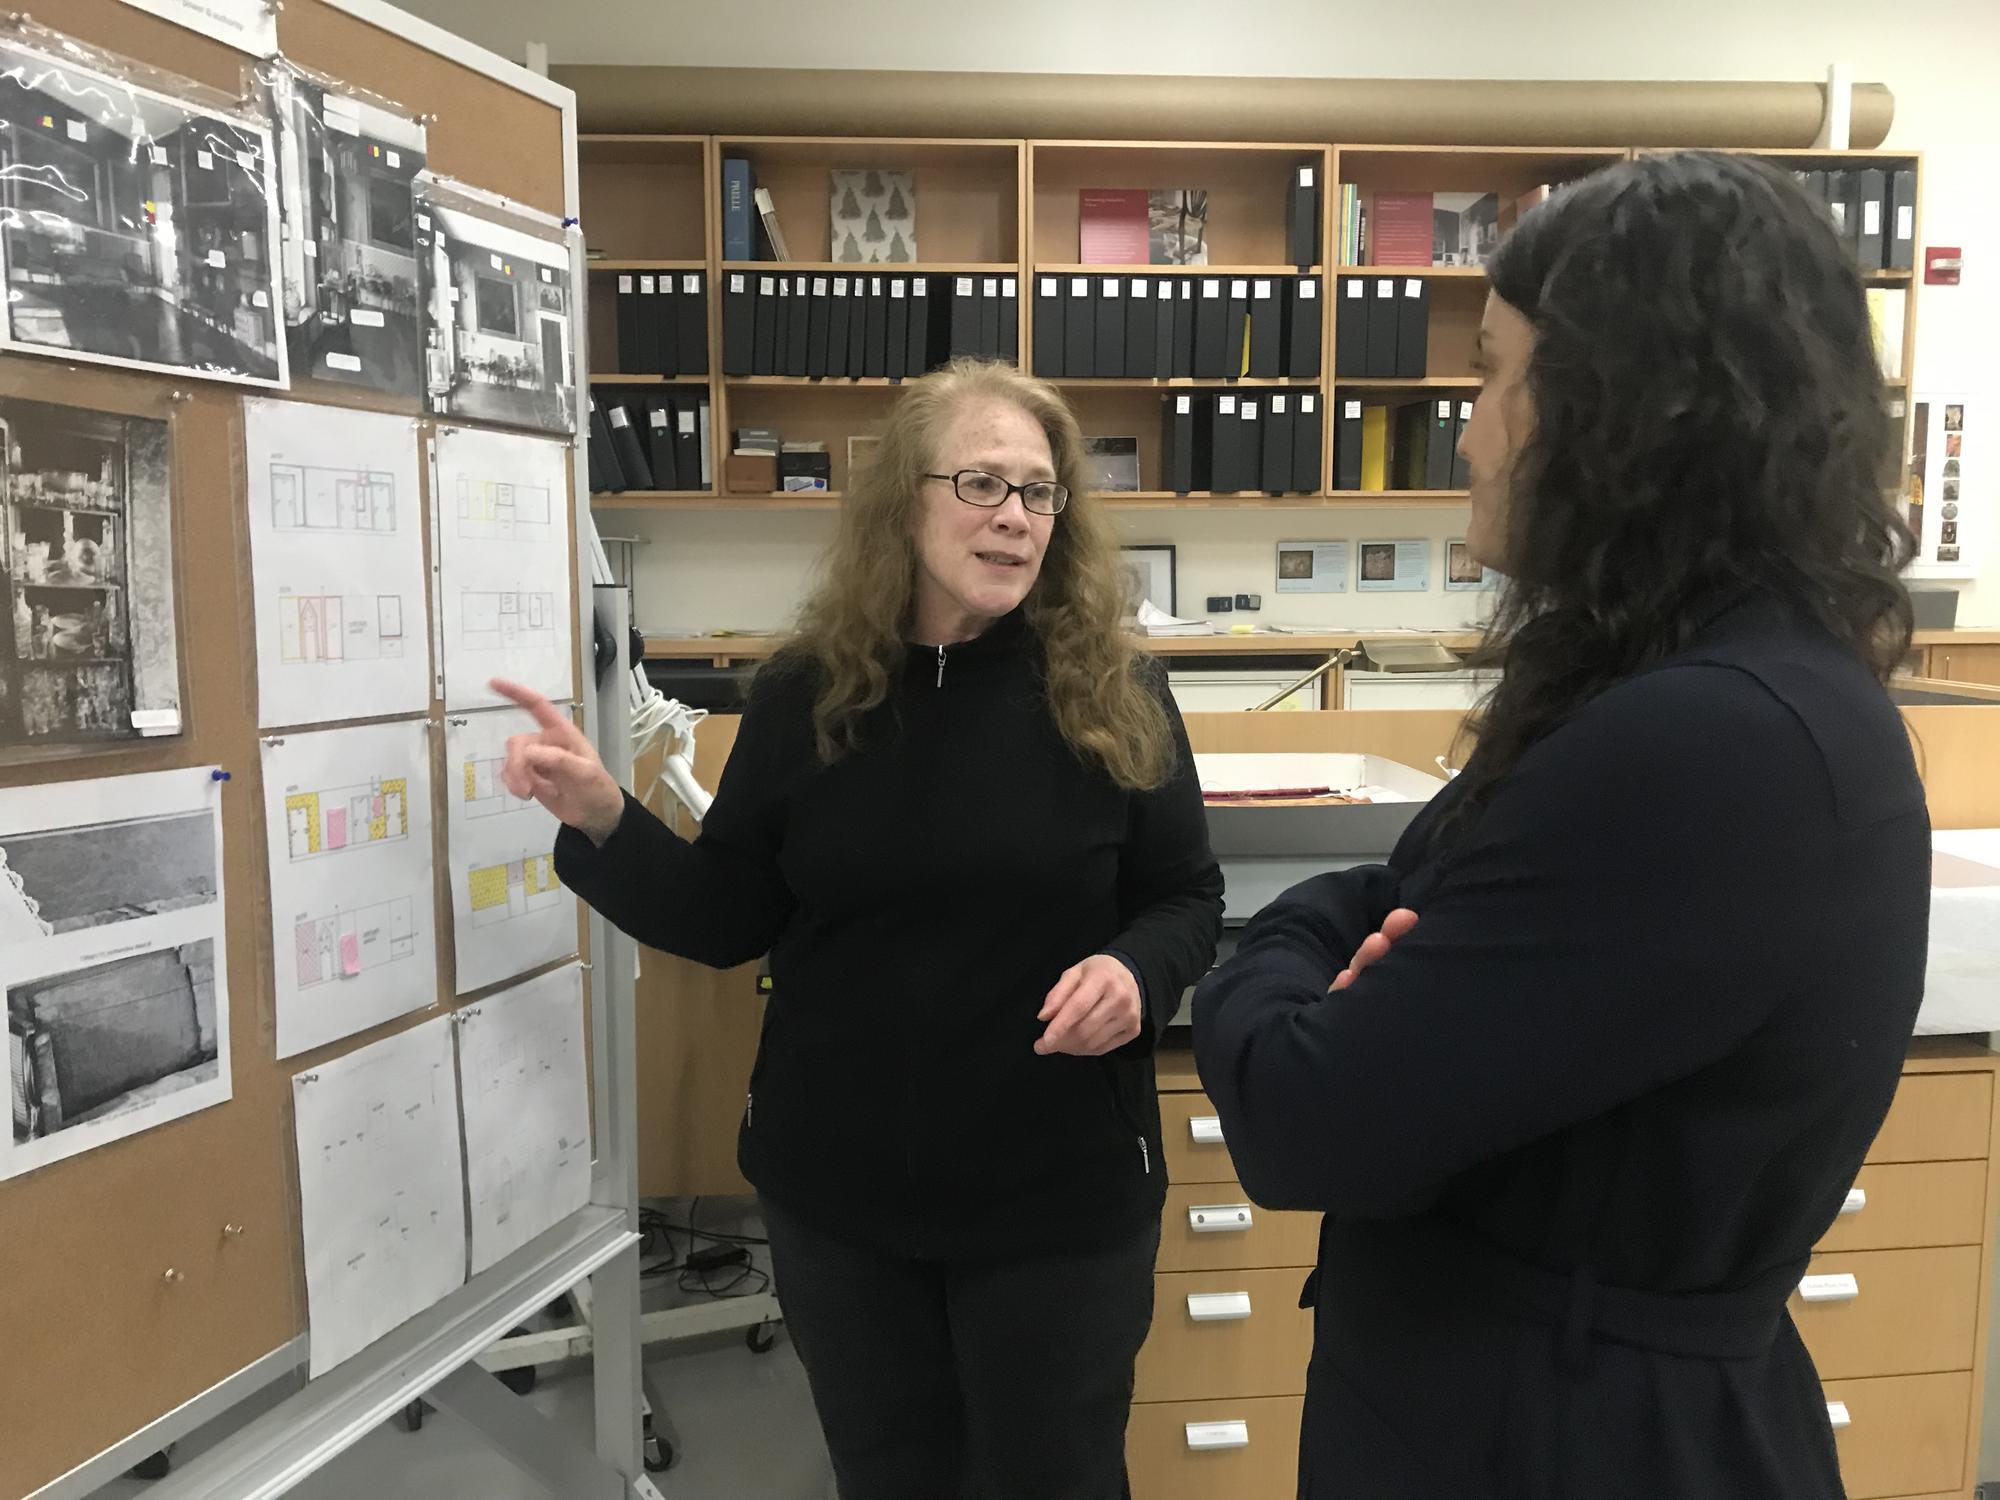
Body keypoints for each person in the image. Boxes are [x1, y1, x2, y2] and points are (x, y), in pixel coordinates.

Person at [1192, 151, 1926, 1500]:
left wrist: (1271, 951)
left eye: (1488, 376)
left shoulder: (1710, 745)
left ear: (1620, 409)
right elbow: (1396, 893)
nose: (1466, 431)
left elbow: (1307, 1116)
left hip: (1559, 1439)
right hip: (1530, 1404)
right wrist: (1346, 939)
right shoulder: (1683, 686)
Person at [495, 357, 1223, 1500]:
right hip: (842, 1200)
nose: (1014, 518)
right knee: (890, 1474)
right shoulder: (803, 694)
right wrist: (602, 820)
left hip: (1055, 1195)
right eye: (981, 482)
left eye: (1038, 493)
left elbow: (1186, 896)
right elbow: (732, 913)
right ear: (905, 503)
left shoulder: (1113, 689)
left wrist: (1137, 973)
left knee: (1055, 1475)